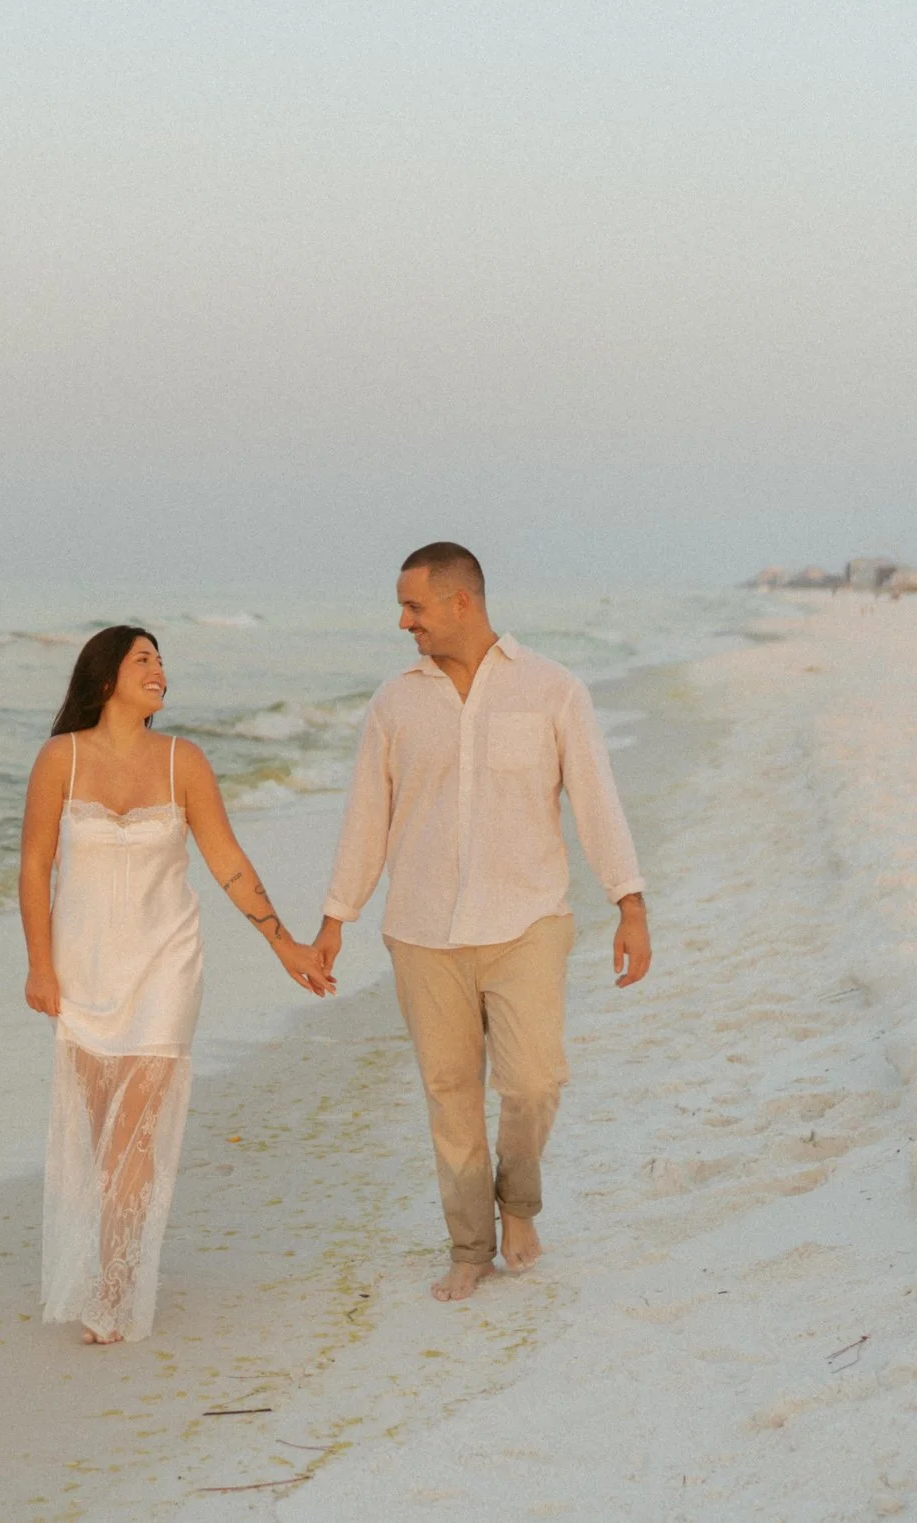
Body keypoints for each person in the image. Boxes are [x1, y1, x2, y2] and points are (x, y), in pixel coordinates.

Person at [312, 544, 652, 1302]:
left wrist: (629, 903)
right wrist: (336, 919)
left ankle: (518, 1205)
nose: (405, 622)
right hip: (422, 929)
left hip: (527, 919)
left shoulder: (552, 689)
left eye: (415, 607)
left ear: (461, 601)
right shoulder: (395, 703)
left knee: (532, 1082)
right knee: (450, 1093)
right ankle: (470, 1245)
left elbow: (596, 801)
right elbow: (367, 816)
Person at [19, 625, 330, 1344]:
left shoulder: (182, 762)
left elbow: (225, 859)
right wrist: (39, 963)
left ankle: (117, 1289)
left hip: (166, 961)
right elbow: (35, 865)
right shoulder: (58, 760)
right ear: (105, 679)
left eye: (161, 660)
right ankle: (113, 1263)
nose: (159, 671)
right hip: (85, 965)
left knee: (134, 1134)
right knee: (104, 1138)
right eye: (143, 659)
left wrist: (284, 942)